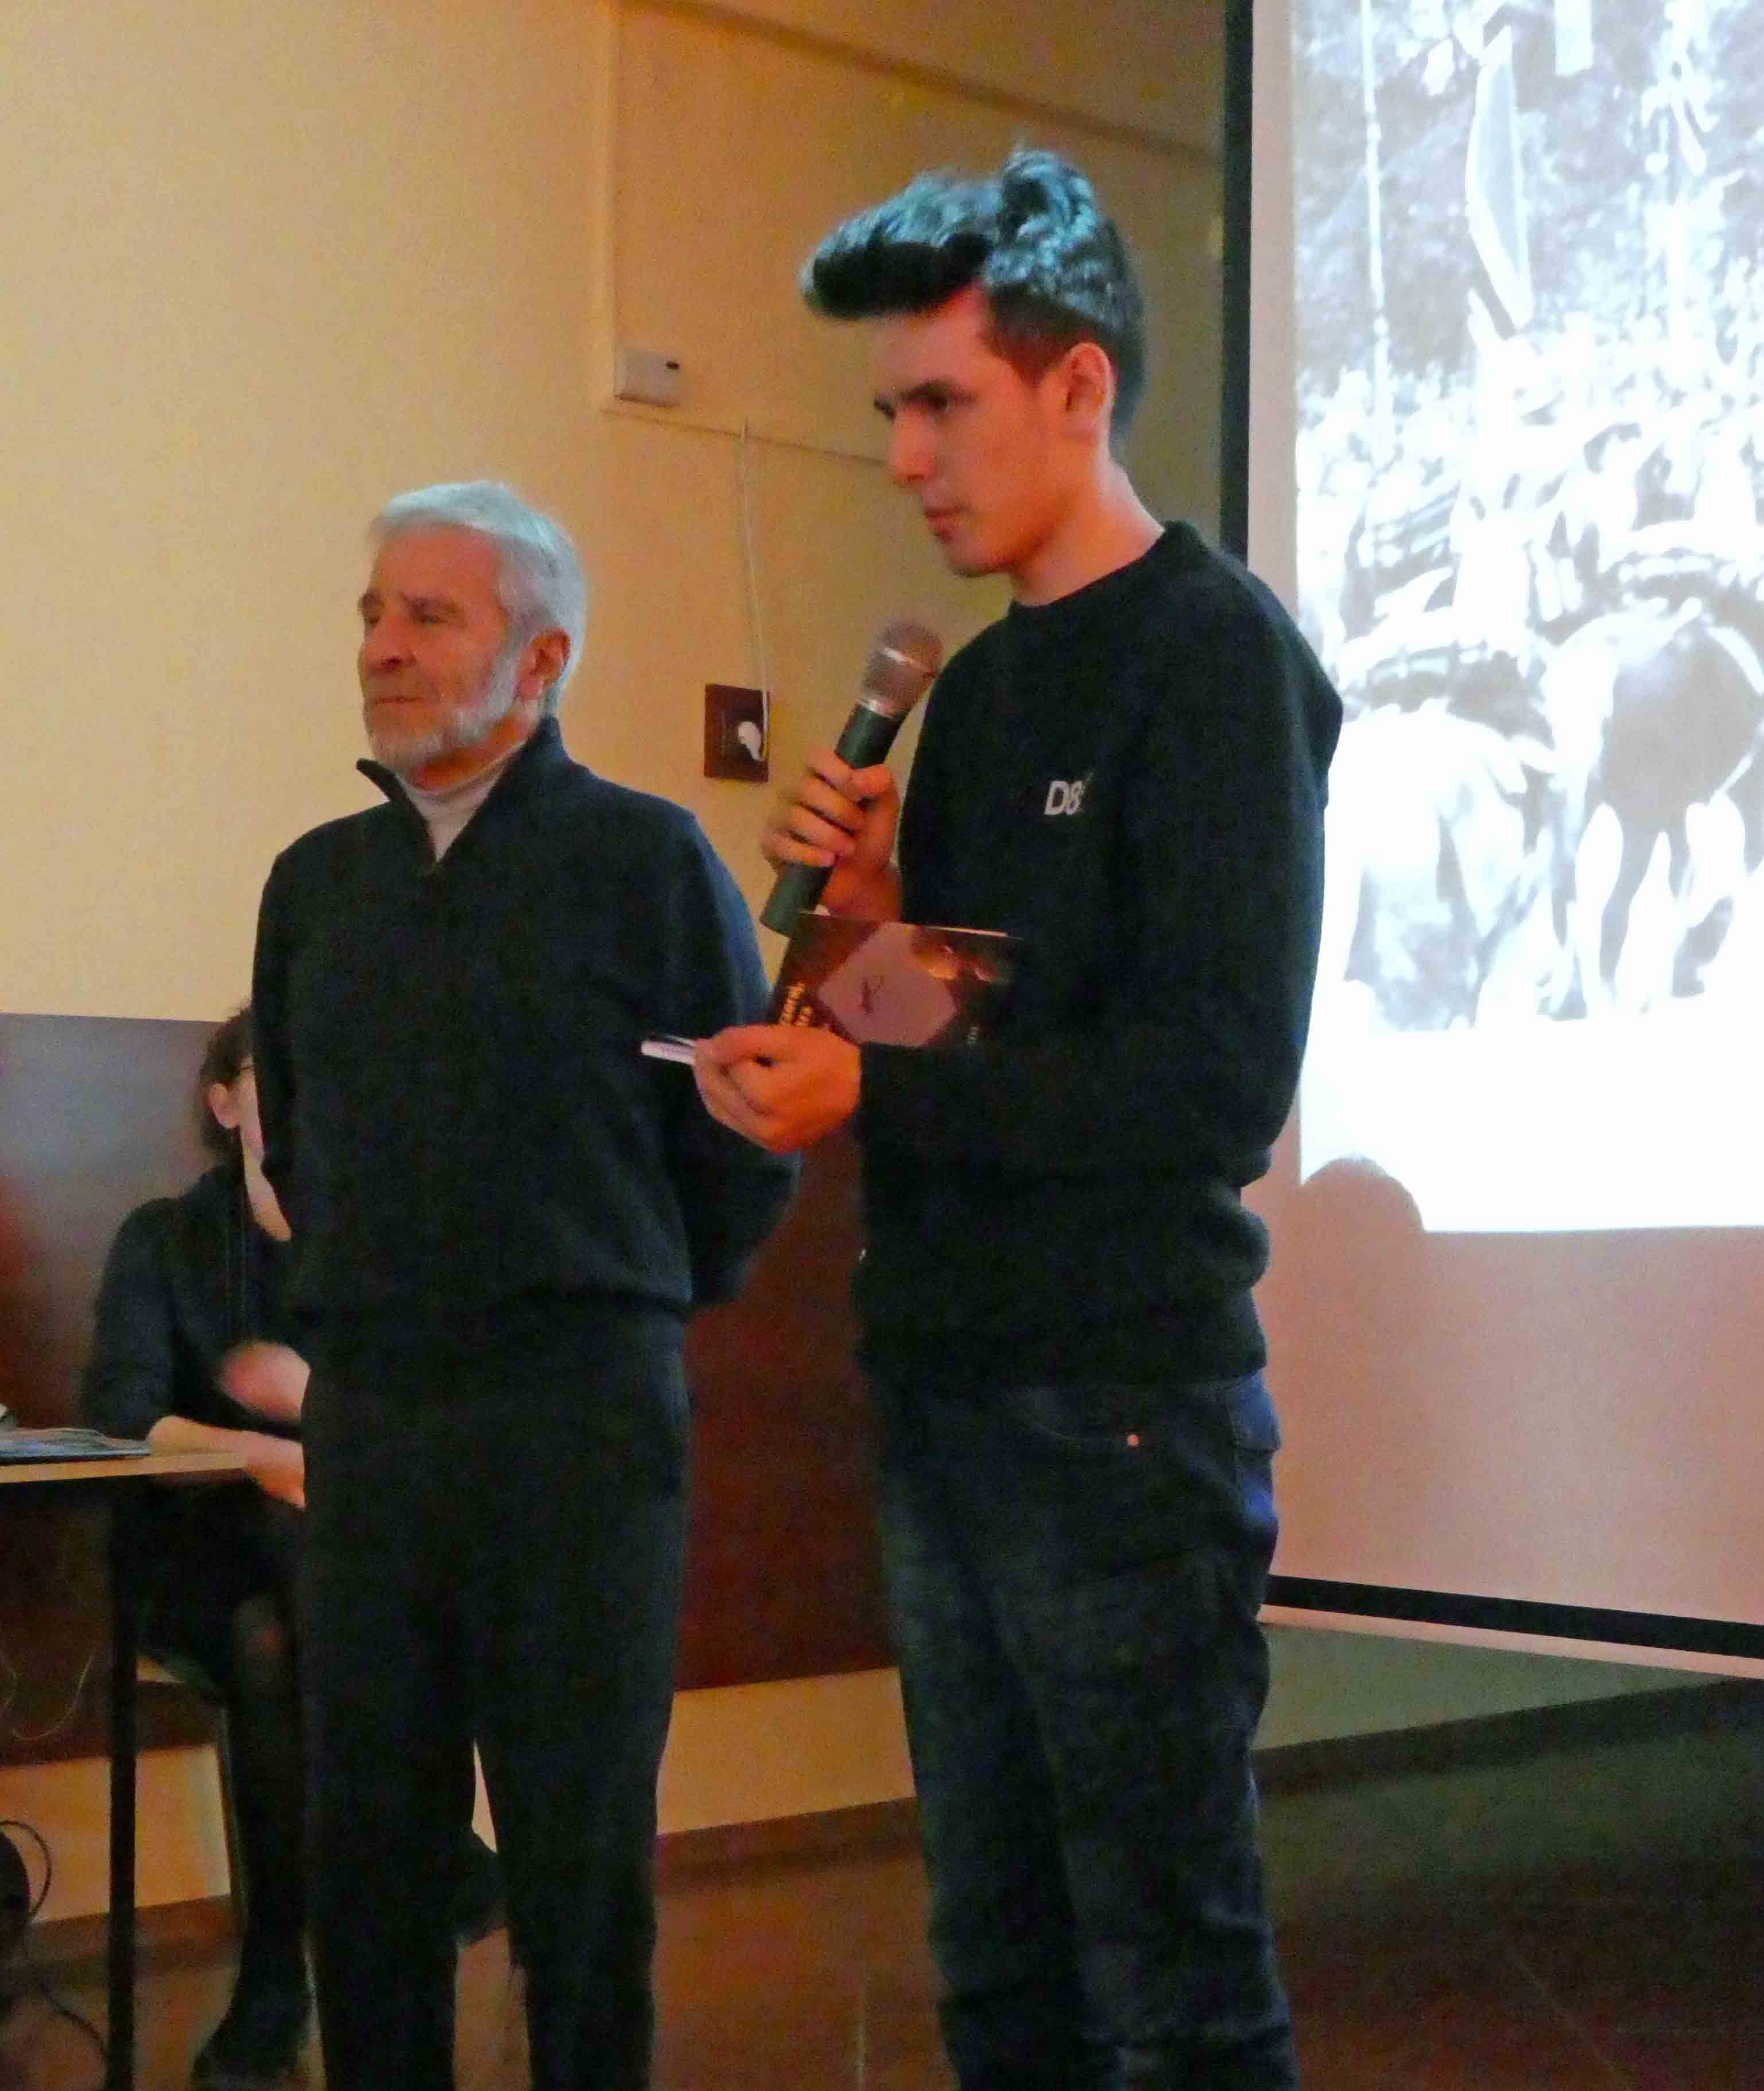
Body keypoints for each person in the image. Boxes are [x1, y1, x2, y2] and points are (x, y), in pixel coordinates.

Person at [693, 152, 1343, 2089]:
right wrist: (868, 930)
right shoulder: (972, 695)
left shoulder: (1213, 657)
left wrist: (870, 1082)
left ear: (1079, 387)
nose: (903, 458)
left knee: (1169, 1990)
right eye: (888, 409)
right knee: (998, 1971)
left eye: (940, 403)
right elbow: (981, 1036)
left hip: (1118, 1411)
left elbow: (1213, 1084)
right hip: (948, 1380)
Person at [250, 481, 795, 2091]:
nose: (384, 647)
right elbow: (301, 1141)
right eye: (374, 613)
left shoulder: (647, 860)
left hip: (578, 1424)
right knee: (368, 1860)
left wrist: (612, 1299)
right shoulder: (314, 884)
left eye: (431, 616)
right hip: (371, 1427)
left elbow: (739, 1150)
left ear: (541, 659)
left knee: (577, 1856)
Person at [82, 1008, 503, 2088]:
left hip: (326, 1580)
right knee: (288, 1567)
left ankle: (275, 1978)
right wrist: (262, 1453)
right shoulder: (162, 1239)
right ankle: (440, 1850)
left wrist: (320, 1409)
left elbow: (432, 1422)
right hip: (194, 1549)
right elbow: (123, 1415)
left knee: (276, 1635)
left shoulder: (373, 1249)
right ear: (224, 1102)